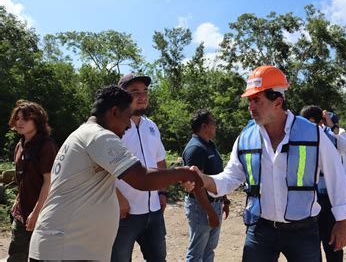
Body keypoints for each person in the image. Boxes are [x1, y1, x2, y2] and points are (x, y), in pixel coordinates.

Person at [193, 65, 346, 261]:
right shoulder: (246, 138)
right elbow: (230, 177)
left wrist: (342, 222)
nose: (251, 107)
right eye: (250, 101)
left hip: (303, 231)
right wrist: (203, 180)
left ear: (277, 102)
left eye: (257, 100)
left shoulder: (313, 134)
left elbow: (336, 178)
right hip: (261, 230)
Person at [28, 86, 204, 261]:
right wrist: (183, 173)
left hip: (66, 247)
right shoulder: (99, 137)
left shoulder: (82, 134)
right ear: (114, 112)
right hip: (65, 249)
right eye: (127, 117)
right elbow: (142, 179)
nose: (128, 125)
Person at [112, 73, 169, 262]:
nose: (142, 95)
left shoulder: (151, 126)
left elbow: (160, 160)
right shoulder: (112, 128)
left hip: (153, 212)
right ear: (122, 96)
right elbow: (100, 170)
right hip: (124, 214)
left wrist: (162, 193)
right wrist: (118, 199)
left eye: (145, 91)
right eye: (135, 91)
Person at [300, 105, 346, 261]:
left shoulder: (334, 137)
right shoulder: (301, 137)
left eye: (311, 123)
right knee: (312, 244)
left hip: (332, 199)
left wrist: (333, 127)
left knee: (335, 242)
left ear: (321, 122)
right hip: (311, 199)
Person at [6, 100, 57, 261]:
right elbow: (22, 178)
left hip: (43, 214)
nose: (19, 122)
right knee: (16, 256)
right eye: (18, 118)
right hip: (22, 212)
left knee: (40, 257)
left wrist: (36, 213)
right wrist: (17, 200)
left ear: (37, 121)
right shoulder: (20, 145)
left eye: (25, 119)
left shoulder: (46, 146)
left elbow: (48, 182)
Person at [182, 109, 230, 262]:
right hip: (201, 206)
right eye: (213, 123)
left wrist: (225, 200)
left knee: (209, 250)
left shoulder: (209, 145)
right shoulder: (195, 149)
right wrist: (210, 212)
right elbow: (195, 186)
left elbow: (218, 175)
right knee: (196, 253)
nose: (216, 126)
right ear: (204, 126)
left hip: (215, 204)